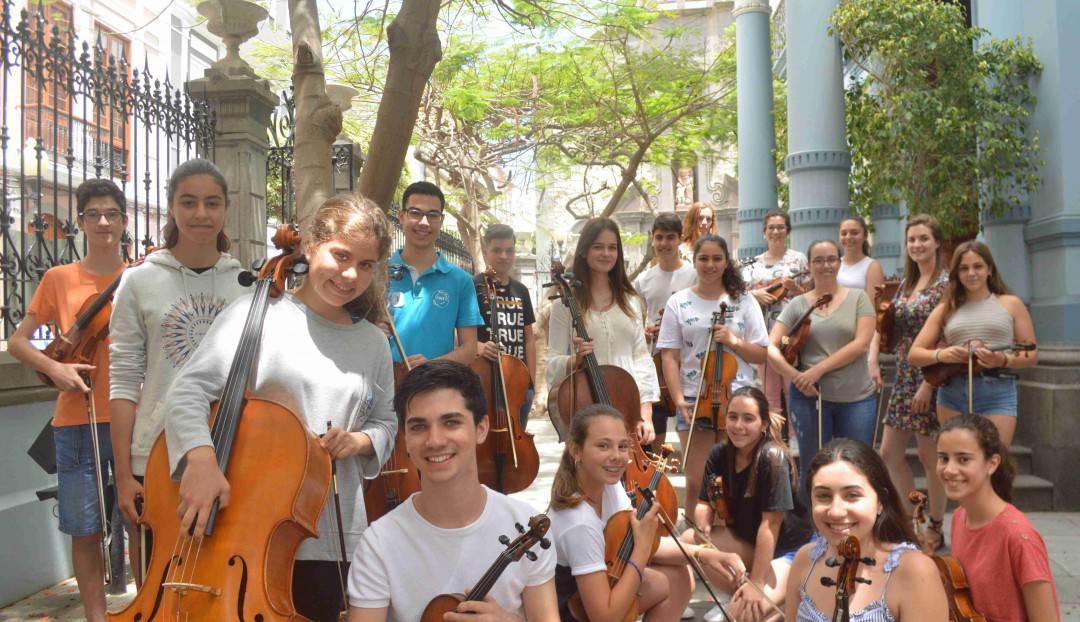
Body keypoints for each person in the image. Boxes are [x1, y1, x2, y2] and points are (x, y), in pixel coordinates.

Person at [164, 194, 398, 621]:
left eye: (366, 265)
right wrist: (200, 457)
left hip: (332, 532)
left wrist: (360, 440)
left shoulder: (373, 342)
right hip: (248, 527)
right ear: (310, 246)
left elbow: (387, 422)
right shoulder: (257, 314)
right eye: (341, 256)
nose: (351, 275)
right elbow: (188, 391)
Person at [109, 158, 247, 574]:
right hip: (153, 456)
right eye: (189, 202)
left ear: (226, 208)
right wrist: (123, 473)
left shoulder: (247, 284)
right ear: (172, 207)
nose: (201, 214)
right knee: (157, 576)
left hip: (230, 450)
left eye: (211, 203)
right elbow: (123, 380)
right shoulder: (138, 281)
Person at [348, 360, 558, 621]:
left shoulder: (526, 526)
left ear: (481, 429)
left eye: (451, 422)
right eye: (419, 426)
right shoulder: (378, 544)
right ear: (405, 439)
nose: (435, 441)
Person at [8, 179, 128, 622]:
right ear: (79, 222)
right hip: (78, 420)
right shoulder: (59, 279)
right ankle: (96, 616)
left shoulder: (140, 277)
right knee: (85, 527)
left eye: (111, 214)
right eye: (93, 214)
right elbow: (19, 342)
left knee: (142, 519)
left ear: (123, 221)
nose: (102, 222)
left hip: (131, 416)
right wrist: (56, 369)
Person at [548, 403, 743, 622]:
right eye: (603, 446)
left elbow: (645, 541)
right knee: (664, 580)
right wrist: (641, 550)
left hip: (601, 588)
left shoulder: (609, 487)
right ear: (576, 450)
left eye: (623, 446)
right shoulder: (579, 523)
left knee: (678, 576)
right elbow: (605, 617)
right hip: (572, 611)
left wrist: (705, 554)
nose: (616, 456)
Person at [657, 235, 768, 512]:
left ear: (726, 262)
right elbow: (669, 356)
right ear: (694, 262)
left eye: (717, 258)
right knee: (697, 481)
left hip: (738, 400)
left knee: (736, 479)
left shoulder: (744, 301)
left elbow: (761, 353)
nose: (710, 264)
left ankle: (731, 535)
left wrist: (733, 341)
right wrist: (679, 397)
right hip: (696, 400)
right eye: (703, 258)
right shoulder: (678, 302)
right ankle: (696, 538)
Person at [683, 386, 813, 622]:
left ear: (763, 424)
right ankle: (747, 598)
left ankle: (778, 597)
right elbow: (704, 503)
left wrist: (758, 583)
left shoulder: (773, 458)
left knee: (743, 615)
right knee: (688, 540)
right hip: (750, 542)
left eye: (748, 419)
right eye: (732, 417)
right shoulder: (719, 453)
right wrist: (703, 525)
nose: (738, 426)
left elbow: (769, 526)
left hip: (790, 550)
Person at [784, 438, 949, 621]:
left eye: (852, 495)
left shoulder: (915, 571)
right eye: (823, 496)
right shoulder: (805, 560)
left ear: (880, 502)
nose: (836, 511)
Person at [767, 240, 877, 490]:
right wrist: (796, 376)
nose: (825, 265)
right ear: (809, 266)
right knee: (813, 466)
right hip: (809, 398)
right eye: (818, 260)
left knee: (859, 466)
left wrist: (817, 370)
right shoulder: (798, 304)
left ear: (839, 263)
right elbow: (771, 347)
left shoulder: (859, 299)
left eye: (831, 259)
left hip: (856, 397)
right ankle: (813, 527)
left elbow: (861, 344)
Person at [908, 240, 1038, 447]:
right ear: (957, 274)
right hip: (952, 392)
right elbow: (914, 354)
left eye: (977, 266)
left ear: (989, 269)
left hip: (998, 391)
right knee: (959, 463)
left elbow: (1031, 356)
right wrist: (942, 355)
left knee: (994, 463)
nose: (971, 273)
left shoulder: (1011, 303)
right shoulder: (946, 307)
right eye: (964, 268)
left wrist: (1002, 359)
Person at [936, 415, 1060, 622]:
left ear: (992, 463)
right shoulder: (960, 517)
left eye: (963, 459)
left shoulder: (1019, 536)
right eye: (943, 458)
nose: (949, 469)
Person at [547, 217, 659, 444]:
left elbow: (641, 358)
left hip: (628, 408)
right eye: (598, 247)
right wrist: (574, 360)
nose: (606, 253)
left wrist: (644, 413)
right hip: (586, 406)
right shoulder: (563, 306)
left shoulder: (631, 302)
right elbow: (552, 363)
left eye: (612, 247)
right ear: (584, 252)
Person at [877, 215, 949, 552]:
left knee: (928, 453)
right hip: (904, 375)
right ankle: (911, 520)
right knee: (889, 454)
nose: (917, 245)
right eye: (912, 240)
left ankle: (935, 524)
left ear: (936, 242)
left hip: (931, 375)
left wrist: (929, 385)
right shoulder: (907, 284)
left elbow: (946, 335)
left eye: (923, 238)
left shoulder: (946, 285)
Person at [388, 181, 483, 366]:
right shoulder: (377, 275)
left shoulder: (461, 280)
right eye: (415, 213)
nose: (424, 222)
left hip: (437, 388)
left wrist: (431, 366)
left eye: (432, 215)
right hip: (383, 390)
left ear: (441, 220)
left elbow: (470, 350)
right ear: (401, 216)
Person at [633, 213, 696, 445]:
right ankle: (657, 478)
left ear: (680, 240)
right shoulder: (643, 280)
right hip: (656, 360)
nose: (664, 244)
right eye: (659, 238)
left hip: (688, 359)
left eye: (670, 237)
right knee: (655, 426)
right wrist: (645, 331)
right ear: (652, 240)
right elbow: (632, 318)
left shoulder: (694, 275)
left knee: (689, 425)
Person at [742, 211, 809, 415]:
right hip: (762, 333)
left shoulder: (799, 260)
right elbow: (740, 298)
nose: (776, 231)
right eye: (771, 227)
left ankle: (796, 441)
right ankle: (775, 441)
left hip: (792, 335)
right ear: (765, 232)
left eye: (780, 227)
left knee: (791, 389)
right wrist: (756, 294)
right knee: (769, 391)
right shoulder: (753, 264)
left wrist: (795, 289)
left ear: (787, 231)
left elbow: (811, 296)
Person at [475, 224, 537, 428]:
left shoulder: (521, 291)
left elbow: (528, 339)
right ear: (485, 252)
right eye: (497, 250)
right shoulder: (472, 287)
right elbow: (457, 334)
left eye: (509, 251)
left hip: (518, 384)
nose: (504, 256)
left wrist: (531, 383)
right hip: (484, 381)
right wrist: (479, 347)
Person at [837, 216, 886, 390]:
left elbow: (874, 314)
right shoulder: (834, 264)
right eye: (844, 233)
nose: (848, 237)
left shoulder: (871, 266)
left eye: (854, 232)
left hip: (859, 336)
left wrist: (872, 357)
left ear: (864, 236)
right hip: (834, 335)